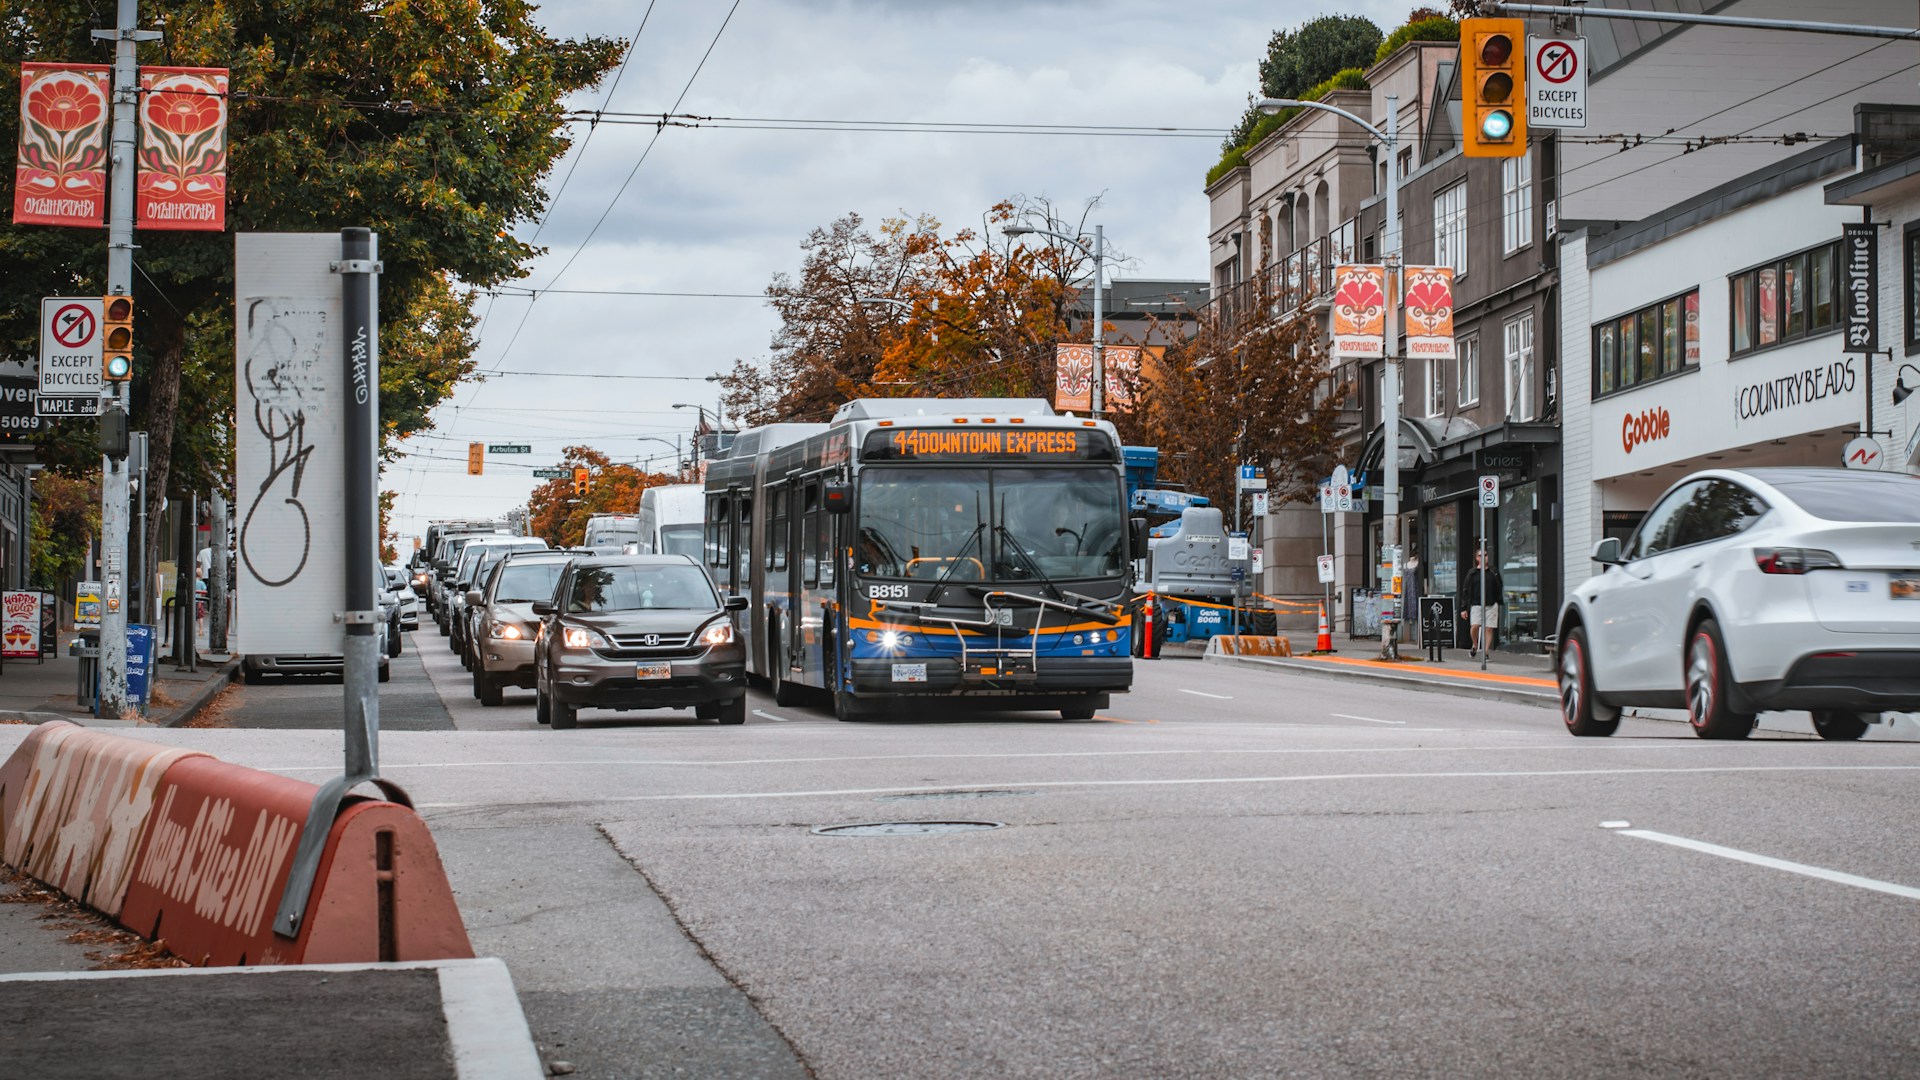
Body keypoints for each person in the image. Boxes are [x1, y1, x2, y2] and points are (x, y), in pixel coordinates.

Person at [1457, 548, 1504, 658]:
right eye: (1481, 555)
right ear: (1477, 558)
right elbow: (1466, 590)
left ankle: (1485, 652)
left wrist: (1498, 600)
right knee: (1475, 626)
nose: (1484, 557)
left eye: (1486, 555)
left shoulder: (1493, 572)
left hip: (1491, 604)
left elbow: (1499, 585)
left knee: (1489, 628)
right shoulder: (1472, 573)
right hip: (1476, 603)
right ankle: (1475, 644)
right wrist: (1463, 608)